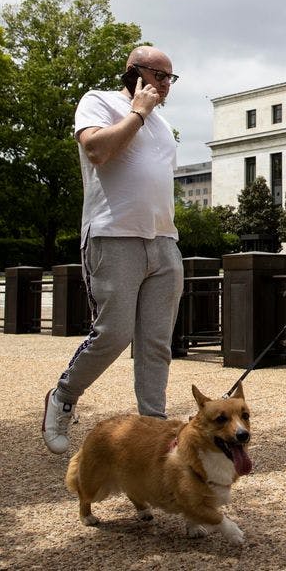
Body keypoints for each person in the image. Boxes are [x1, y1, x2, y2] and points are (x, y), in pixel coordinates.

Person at [41, 46, 184, 455]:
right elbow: (97, 151)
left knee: (157, 342)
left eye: (170, 77)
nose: (165, 84)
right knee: (113, 334)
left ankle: (154, 433)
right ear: (133, 73)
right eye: (157, 74)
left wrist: (148, 116)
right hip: (112, 235)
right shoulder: (99, 102)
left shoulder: (164, 124)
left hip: (163, 240)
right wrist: (137, 113)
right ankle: (63, 396)